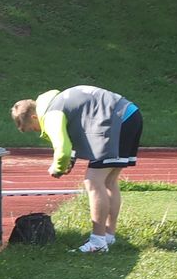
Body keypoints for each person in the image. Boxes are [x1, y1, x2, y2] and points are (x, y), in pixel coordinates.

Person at [11, 86, 144, 253]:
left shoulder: (51, 114)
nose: (37, 132)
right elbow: (74, 134)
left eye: (33, 128)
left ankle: (98, 242)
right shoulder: (58, 102)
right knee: (109, 182)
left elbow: (63, 148)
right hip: (129, 114)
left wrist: (57, 168)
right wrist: (70, 161)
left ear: (34, 117)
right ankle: (108, 236)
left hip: (115, 120)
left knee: (93, 182)